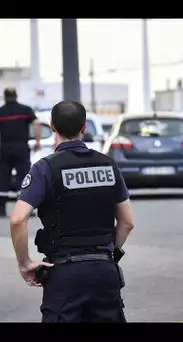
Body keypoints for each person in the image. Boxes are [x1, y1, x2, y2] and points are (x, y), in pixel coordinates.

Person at [9, 100, 135, 322]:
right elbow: (127, 222)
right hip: (104, 271)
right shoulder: (108, 165)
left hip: (64, 274)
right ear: (84, 127)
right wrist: (108, 255)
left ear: (53, 127)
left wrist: (25, 263)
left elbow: (18, 219)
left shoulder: (45, 168)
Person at [0, 88, 41, 216]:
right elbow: (36, 123)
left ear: (5, 97)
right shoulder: (25, 110)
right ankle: (24, 210)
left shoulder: (1, 111)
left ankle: (1, 210)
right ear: (16, 96)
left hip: (4, 148)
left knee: (3, 176)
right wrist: (37, 141)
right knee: (24, 176)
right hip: (21, 147)